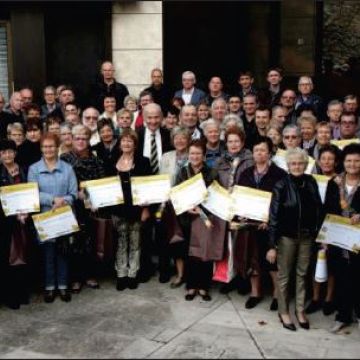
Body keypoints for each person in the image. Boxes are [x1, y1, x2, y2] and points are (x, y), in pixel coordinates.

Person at [267, 148, 323, 331]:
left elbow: (318, 209)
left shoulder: (311, 182)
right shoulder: (281, 185)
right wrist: (272, 245)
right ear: (288, 166)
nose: (297, 166)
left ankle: (299, 310)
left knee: (302, 274)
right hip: (287, 238)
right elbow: (273, 217)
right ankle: (283, 311)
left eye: (300, 163)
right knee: (284, 276)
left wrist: (321, 235)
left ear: (306, 165)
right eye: (293, 163)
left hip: (307, 237)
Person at [237, 136, 287, 310]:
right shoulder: (245, 173)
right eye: (256, 150)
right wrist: (241, 214)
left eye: (263, 150)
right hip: (250, 226)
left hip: (270, 226)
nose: (259, 153)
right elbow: (240, 197)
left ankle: (276, 295)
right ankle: (255, 292)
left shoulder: (280, 175)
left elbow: (283, 203)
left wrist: (270, 219)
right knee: (253, 260)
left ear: (270, 152)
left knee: (272, 263)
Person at [28, 133, 78, 303]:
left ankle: (63, 286)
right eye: (45, 146)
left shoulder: (67, 168)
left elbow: (73, 193)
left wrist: (64, 200)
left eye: (51, 146)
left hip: (64, 217)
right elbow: (32, 192)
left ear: (57, 148)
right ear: (41, 149)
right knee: (48, 253)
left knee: (63, 252)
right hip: (45, 218)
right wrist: (52, 199)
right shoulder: (34, 169)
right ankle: (50, 287)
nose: (48, 149)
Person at [61, 125, 106, 293]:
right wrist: (74, 193)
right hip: (72, 206)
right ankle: (75, 278)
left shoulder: (96, 159)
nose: (81, 141)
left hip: (92, 207)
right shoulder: (64, 159)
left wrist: (96, 199)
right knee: (74, 242)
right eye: (77, 138)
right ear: (72, 140)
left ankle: (90, 275)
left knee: (91, 241)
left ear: (89, 140)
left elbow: (101, 182)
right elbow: (61, 183)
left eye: (84, 138)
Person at [175, 139, 220, 301]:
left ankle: (203, 286)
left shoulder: (212, 173)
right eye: (192, 153)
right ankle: (191, 286)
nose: (195, 156)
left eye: (198, 153)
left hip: (205, 218)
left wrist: (204, 210)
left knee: (204, 253)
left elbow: (217, 195)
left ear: (204, 155)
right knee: (190, 253)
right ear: (188, 155)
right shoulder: (182, 172)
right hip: (187, 218)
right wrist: (187, 208)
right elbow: (177, 194)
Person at [109, 129, 152, 290]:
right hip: (118, 209)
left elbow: (148, 188)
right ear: (120, 144)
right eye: (124, 141)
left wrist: (146, 209)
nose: (126, 144)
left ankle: (133, 273)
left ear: (135, 144)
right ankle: (121, 274)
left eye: (130, 141)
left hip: (136, 209)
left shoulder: (143, 161)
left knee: (135, 243)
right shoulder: (112, 160)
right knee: (120, 243)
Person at [325, 144, 360, 333]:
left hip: (358, 239)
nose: (352, 164)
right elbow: (327, 210)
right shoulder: (335, 182)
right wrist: (325, 237)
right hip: (338, 238)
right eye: (349, 160)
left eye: (356, 160)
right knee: (341, 276)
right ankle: (343, 315)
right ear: (343, 162)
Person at [305, 145, 340, 316]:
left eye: (330, 159)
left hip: (333, 226)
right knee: (314, 262)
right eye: (324, 158)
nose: (326, 162)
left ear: (336, 162)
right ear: (319, 161)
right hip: (314, 225)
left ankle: (329, 299)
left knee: (331, 264)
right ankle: (316, 298)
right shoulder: (311, 179)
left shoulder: (340, 180)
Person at [0, 139, 30, 310]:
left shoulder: (24, 170)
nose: (7, 155)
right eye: (4, 152)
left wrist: (25, 212)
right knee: (7, 258)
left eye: (10, 151)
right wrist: (12, 213)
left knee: (24, 256)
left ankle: (22, 292)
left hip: (24, 220)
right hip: (5, 223)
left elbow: (30, 192)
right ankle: (10, 295)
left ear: (15, 153)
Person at [159, 127, 190, 288]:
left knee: (187, 241)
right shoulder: (166, 157)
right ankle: (179, 274)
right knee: (173, 240)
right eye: (176, 138)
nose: (179, 141)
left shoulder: (194, 155)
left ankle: (188, 275)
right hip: (169, 205)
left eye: (183, 138)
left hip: (188, 205)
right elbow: (160, 179)